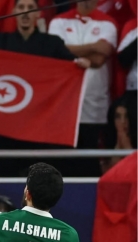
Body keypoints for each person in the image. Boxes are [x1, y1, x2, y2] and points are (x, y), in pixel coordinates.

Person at [0, 0, 90, 151]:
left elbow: (72, 65)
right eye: (21, 7)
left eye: (30, 8)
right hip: (7, 125)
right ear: (14, 12)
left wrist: (81, 64)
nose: (25, 12)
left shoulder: (52, 43)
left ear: (39, 14)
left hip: (40, 125)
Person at [49, 0, 118, 149]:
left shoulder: (108, 23)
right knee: (63, 157)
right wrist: (94, 46)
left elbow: (99, 59)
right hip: (64, 104)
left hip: (94, 105)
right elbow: (55, 52)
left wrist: (67, 50)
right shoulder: (58, 21)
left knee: (90, 157)